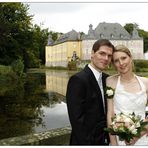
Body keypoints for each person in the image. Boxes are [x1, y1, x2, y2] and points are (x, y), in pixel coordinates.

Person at [66, 39, 115, 145]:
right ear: (92, 53)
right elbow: (77, 120)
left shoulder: (108, 79)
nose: (106, 58)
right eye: (102, 53)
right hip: (85, 142)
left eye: (109, 56)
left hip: (105, 141)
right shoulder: (78, 80)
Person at [106, 45, 148, 146]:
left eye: (124, 58)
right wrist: (113, 143)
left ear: (130, 58)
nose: (121, 63)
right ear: (114, 64)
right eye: (116, 60)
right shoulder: (110, 81)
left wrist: (138, 134)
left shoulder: (146, 82)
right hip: (120, 138)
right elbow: (110, 114)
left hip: (143, 136)